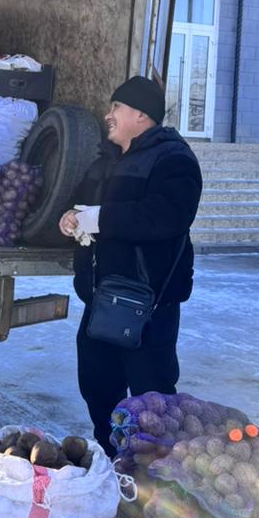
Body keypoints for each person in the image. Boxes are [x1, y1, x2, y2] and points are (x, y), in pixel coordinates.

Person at [59, 75, 203, 456]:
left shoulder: (174, 159)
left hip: (147, 308)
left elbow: (166, 216)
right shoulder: (105, 161)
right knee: (98, 388)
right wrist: (71, 218)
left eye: (116, 107)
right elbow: (80, 203)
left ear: (141, 114)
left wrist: (99, 219)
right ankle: (114, 463)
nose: (108, 115)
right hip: (101, 302)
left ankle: (156, 473)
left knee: (152, 402)